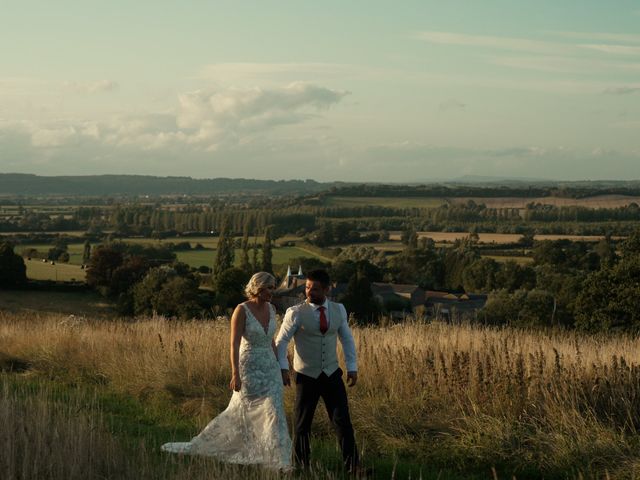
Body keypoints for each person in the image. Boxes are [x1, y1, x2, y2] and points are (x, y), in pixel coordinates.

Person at [161, 272, 291, 470]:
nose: (273, 291)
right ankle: (240, 448)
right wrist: (235, 374)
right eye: (270, 287)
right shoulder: (241, 310)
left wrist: (281, 367)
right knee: (243, 410)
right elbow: (234, 344)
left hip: (270, 368)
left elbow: (270, 340)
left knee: (273, 409)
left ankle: (276, 458)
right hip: (249, 366)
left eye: (274, 287)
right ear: (258, 288)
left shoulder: (272, 309)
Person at [275, 269, 360, 472]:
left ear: (326, 289)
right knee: (302, 424)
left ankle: (354, 467)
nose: (309, 292)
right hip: (306, 376)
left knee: (343, 422)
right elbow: (281, 341)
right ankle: (301, 466)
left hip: (332, 374)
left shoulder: (339, 310)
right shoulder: (295, 313)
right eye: (307, 287)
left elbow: (346, 339)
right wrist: (283, 368)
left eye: (314, 289)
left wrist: (352, 367)